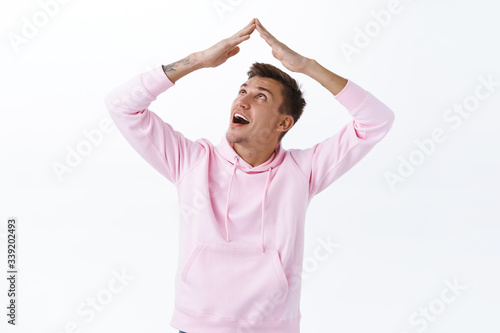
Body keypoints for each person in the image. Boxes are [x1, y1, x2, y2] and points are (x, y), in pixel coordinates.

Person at [105, 18, 395, 333]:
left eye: (260, 97)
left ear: (283, 123)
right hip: (197, 325)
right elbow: (121, 106)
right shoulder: (191, 161)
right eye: (242, 91)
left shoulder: (302, 172)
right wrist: (199, 60)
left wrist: (309, 67)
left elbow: (376, 120)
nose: (242, 100)